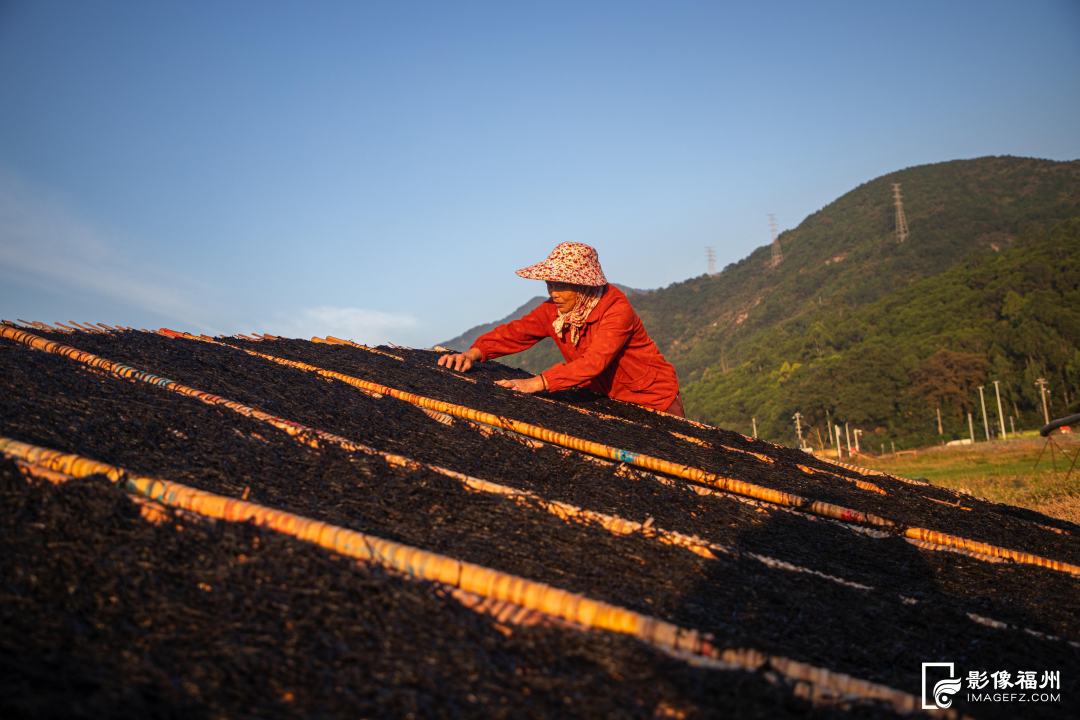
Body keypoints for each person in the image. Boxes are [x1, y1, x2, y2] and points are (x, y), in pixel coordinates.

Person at [438, 242, 684, 416]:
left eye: (561, 285)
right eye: (550, 284)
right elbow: (516, 332)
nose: (553, 293)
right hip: (606, 400)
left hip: (653, 399)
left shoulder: (616, 309)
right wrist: (473, 353)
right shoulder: (554, 309)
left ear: (583, 285)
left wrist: (538, 383)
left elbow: (594, 363)